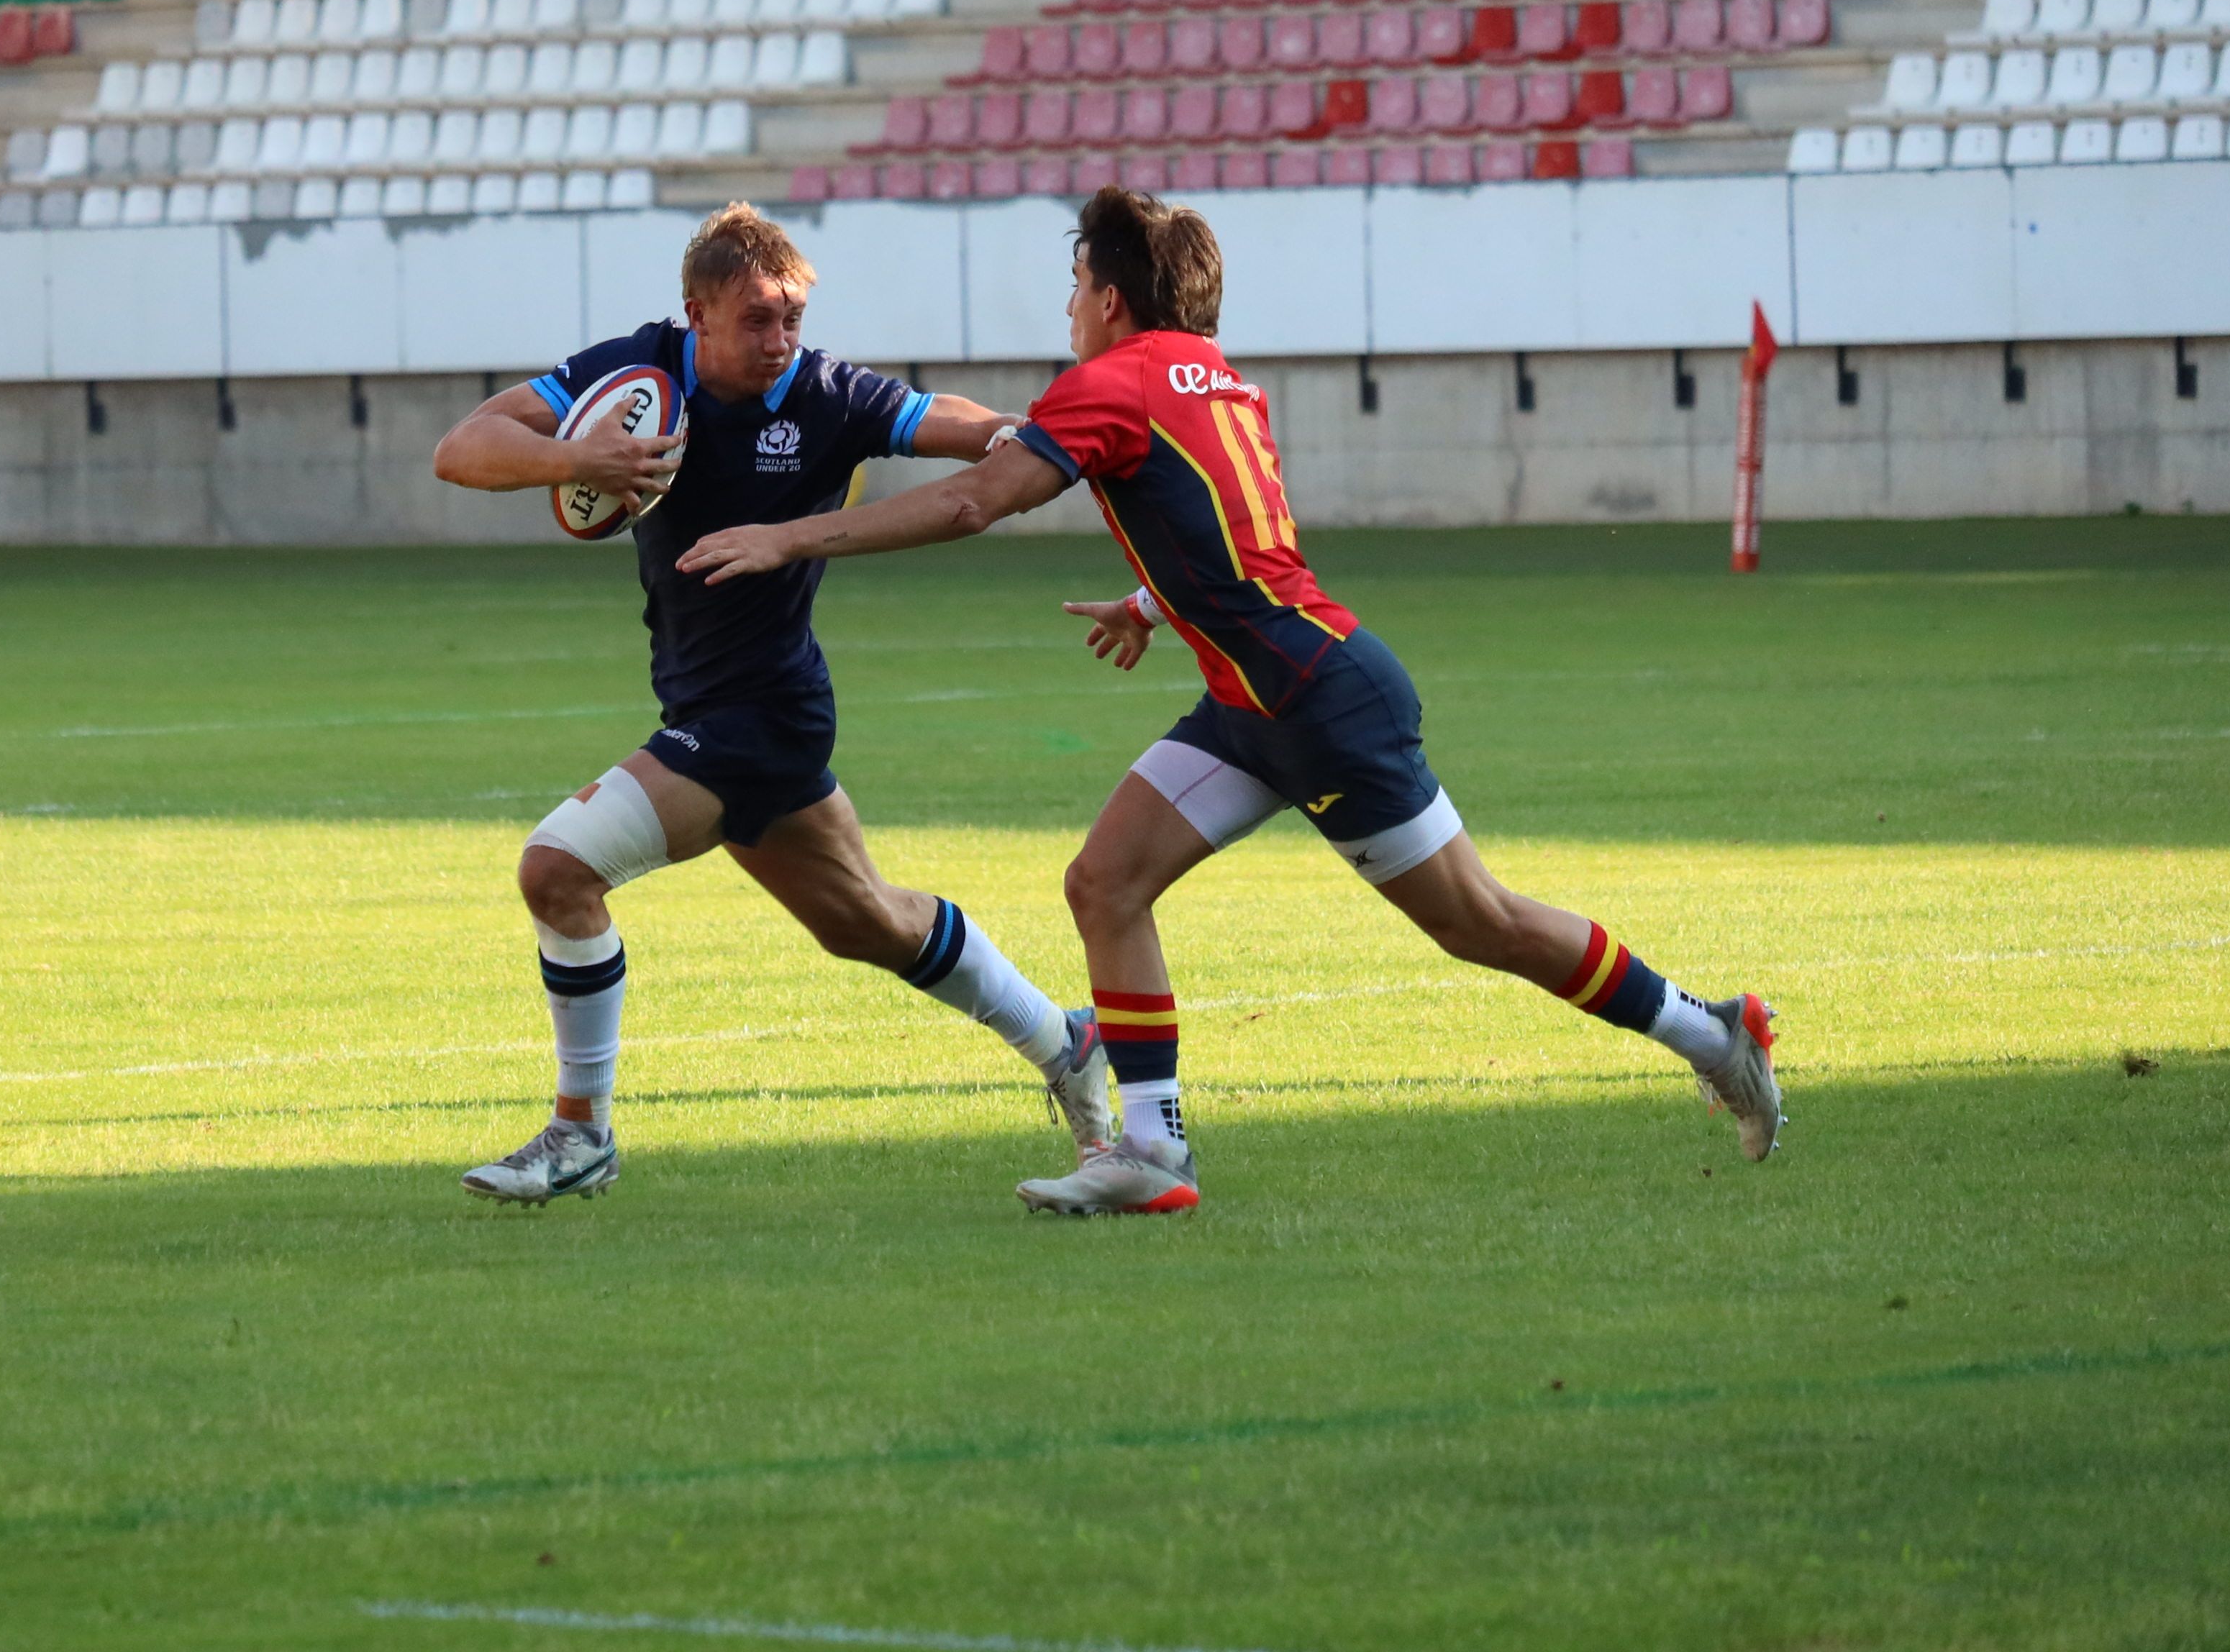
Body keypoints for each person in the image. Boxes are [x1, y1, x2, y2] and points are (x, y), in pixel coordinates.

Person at [677, 187, 1782, 1215]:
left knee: (1477, 922)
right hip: (1258, 696)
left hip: (1316, 701)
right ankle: (1152, 1152)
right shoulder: (1207, 372)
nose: (1068, 308)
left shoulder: (1107, 383)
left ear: (1110, 298)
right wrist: (1157, 604)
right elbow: (1235, 529)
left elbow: (973, 505)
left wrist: (788, 537)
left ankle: (1711, 1032)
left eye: (1075, 288)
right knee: (1104, 882)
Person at [429, 203, 1113, 1204]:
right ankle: (1067, 1042)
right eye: (757, 318)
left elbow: (936, 418)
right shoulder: (639, 374)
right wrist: (581, 460)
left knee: (558, 869)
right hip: (722, 707)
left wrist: (1013, 431)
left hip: (756, 715)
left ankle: (581, 1136)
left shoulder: (826, 392)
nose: (780, 338)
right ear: (696, 313)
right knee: (869, 924)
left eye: (791, 314)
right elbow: (464, 447)